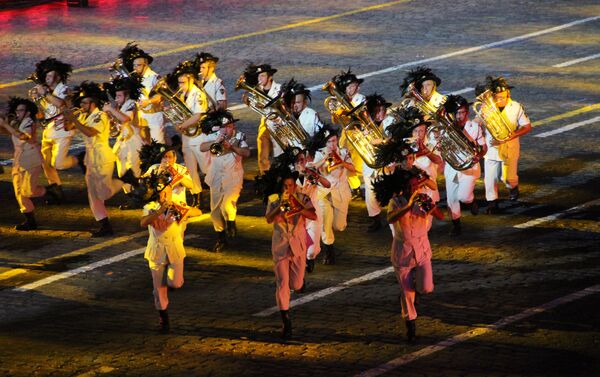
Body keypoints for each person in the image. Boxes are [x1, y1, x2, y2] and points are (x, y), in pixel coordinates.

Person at [373, 134, 442, 343]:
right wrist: (408, 202)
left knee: (426, 287)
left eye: (411, 157)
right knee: (406, 292)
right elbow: (391, 217)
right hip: (402, 249)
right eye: (406, 158)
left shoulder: (420, 188)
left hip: (421, 246)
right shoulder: (397, 198)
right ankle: (410, 324)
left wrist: (427, 204)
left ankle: (416, 292)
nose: (409, 161)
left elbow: (439, 213)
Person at [63, 81, 138, 237]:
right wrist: (68, 115)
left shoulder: (101, 116)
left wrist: (75, 120)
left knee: (103, 193)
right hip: (90, 159)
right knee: (93, 196)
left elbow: (90, 132)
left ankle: (125, 179)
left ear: (93, 103)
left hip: (102, 158)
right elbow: (67, 128)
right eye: (81, 102)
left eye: (85, 102)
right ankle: (104, 225)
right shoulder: (83, 115)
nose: (82, 105)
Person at [139, 180, 201, 333]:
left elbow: (198, 212)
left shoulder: (177, 205)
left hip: (174, 249)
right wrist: (159, 211)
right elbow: (143, 222)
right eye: (162, 194)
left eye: (167, 193)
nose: (165, 196)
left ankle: (169, 284)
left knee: (175, 283)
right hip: (157, 251)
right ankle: (163, 317)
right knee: (158, 289)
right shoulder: (150, 207)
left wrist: (182, 209)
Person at [264, 169, 317, 339]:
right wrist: (280, 205)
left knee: (295, 284)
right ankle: (285, 320)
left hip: (298, 246)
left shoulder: (302, 197)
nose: (288, 188)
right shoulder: (273, 199)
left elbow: (313, 215)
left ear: (294, 185)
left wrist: (299, 208)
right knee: (282, 283)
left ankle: (301, 283)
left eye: (291, 185)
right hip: (280, 246)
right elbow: (268, 219)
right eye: (285, 186)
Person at [199, 111, 250, 252]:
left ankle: (231, 221)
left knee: (227, 204)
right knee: (215, 211)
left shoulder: (239, 136)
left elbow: (246, 153)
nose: (227, 129)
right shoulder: (214, 136)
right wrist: (216, 141)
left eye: (229, 126)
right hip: (216, 175)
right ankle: (220, 238)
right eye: (224, 127)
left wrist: (232, 147)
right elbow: (202, 147)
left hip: (233, 175)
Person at [480, 76, 532, 213]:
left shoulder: (516, 107)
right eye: (497, 97)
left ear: (508, 94)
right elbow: (478, 123)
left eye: (502, 96)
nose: (500, 99)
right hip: (491, 148)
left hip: (509, 147)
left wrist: (509, 137)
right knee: (489, 178)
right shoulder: (487, 106)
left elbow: (527, 126)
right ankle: (492, 202)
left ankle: (513, 187)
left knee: (507, 178)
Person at [31, 57, 78, 204]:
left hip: (62, 129)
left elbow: (61, 104)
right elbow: (41, 115)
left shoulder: (63, 89)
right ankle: (55, 188)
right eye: (46, 76)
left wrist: (44, 94)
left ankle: (80, 159)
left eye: (50, 75)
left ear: (58, 77)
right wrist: (36, 100)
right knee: (45, 162)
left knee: (58, 164)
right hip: (49, 130)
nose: (47, 78)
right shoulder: (46, 91)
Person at [442, 95, 487, 235]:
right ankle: (456, 225)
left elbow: (483, 148)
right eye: (456, 113)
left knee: (464, 197)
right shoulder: (446, 128)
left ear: (467, 113)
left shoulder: (474, 127)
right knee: (451, 199)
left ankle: (471, 201)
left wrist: (478, 156)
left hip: (469, 168)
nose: (459, 116)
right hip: (452, 168)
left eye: (462, 113)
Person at [311, 127, 355, 264]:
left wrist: (342, 163)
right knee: (325, 221)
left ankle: (330, 242)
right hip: (323, 194)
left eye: (334, 141)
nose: (332, 144)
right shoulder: (320, 154)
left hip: (340, 193)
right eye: (329, 142)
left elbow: (354, 170)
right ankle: (329, 250)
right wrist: (325, 159)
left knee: (339, 226)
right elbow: (316, 170)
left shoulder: (344, 152)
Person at [0, 98, 45, 230]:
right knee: (19, 192)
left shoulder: (29, 123)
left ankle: (48, 191)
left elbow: (23, 137)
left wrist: (6, 124)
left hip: (31, 160)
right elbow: (9, 132)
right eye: (17, 110)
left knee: (28, 191)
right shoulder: (16, 122)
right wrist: (2, 125)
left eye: (21, 110)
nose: (18, 113)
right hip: (19, 161)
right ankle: (30, 219)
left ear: (28, 112)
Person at [170, 60, 209, 208]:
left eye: (183, 82)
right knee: (191, 169)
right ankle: (196, 196)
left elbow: (198, 115)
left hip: (199, 137)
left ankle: (217, 189)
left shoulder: (198, 95)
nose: (180, 86)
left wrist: (182, 125)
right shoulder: (182, 96)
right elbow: (179, 116)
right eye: (179, 83)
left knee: (206, 168)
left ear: (191, 80)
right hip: (187, 138)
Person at [103, 74, 146, 204]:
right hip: (122, 143)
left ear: (127, 95)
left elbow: (126, 119)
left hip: (133, 142)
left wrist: (111, 109)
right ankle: (130, 197)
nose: (116, 98)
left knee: (133, 170)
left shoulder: (131, 104)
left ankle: (138, 197)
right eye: (116, 96)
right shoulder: (120, 107)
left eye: (119, 96)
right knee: (122, 172)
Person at [328, 69, 366, 199]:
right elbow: (335, 121)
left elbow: (358, 116)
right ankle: (355, 188)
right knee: (344, 159)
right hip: (346, 133)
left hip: (360, 133)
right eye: (351, 86)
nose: (354, 88)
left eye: (355, 85)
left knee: (360, 163)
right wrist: (336, 113)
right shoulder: (339, 101)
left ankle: (367, 186)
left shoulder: (360, 98)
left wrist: (344, 111)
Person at [119, 43, 164, 143]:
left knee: (157, 143)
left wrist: (148, 101)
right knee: (143, 144)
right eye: (134, 65)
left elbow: (161, 95)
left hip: (153, 116)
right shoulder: (135, 77)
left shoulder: (154, 77)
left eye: (138, 65)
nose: (135, 68)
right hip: (140, 115)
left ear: (146, 65)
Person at [251, 64, 281, 174]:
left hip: (279, 125)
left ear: (270, 77)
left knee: (280, 155)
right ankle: (265, 178)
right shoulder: (257, 91)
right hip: (265, 124)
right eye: (259, 76)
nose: (260, 79)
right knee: (262, 156)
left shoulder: (279, 89)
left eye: (262, 76)